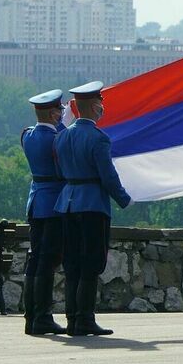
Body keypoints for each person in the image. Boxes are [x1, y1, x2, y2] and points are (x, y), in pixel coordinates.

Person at [53, 81, 133, 336]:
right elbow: (107, 176)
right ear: (93, 106)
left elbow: (59, 171)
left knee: (72, 263)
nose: (102, 108)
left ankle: (72, 319)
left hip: (67, 203)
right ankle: (85, 318)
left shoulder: (62, 136)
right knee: (91, 263)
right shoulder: (98, 138)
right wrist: (124, 199)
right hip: (92, 205)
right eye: (100, 103)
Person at [21, 89, 67, 335]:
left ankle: (31, 316)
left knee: (35, 260)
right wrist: (63, 124)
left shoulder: (27, 136)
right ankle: (43, 316)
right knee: (47, 263)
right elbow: (63, 156)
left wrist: (59, 122)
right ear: (52, 113)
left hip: (36, 202)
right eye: (59, 110)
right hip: (53, 205)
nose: (62, 114)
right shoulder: (57, 139)